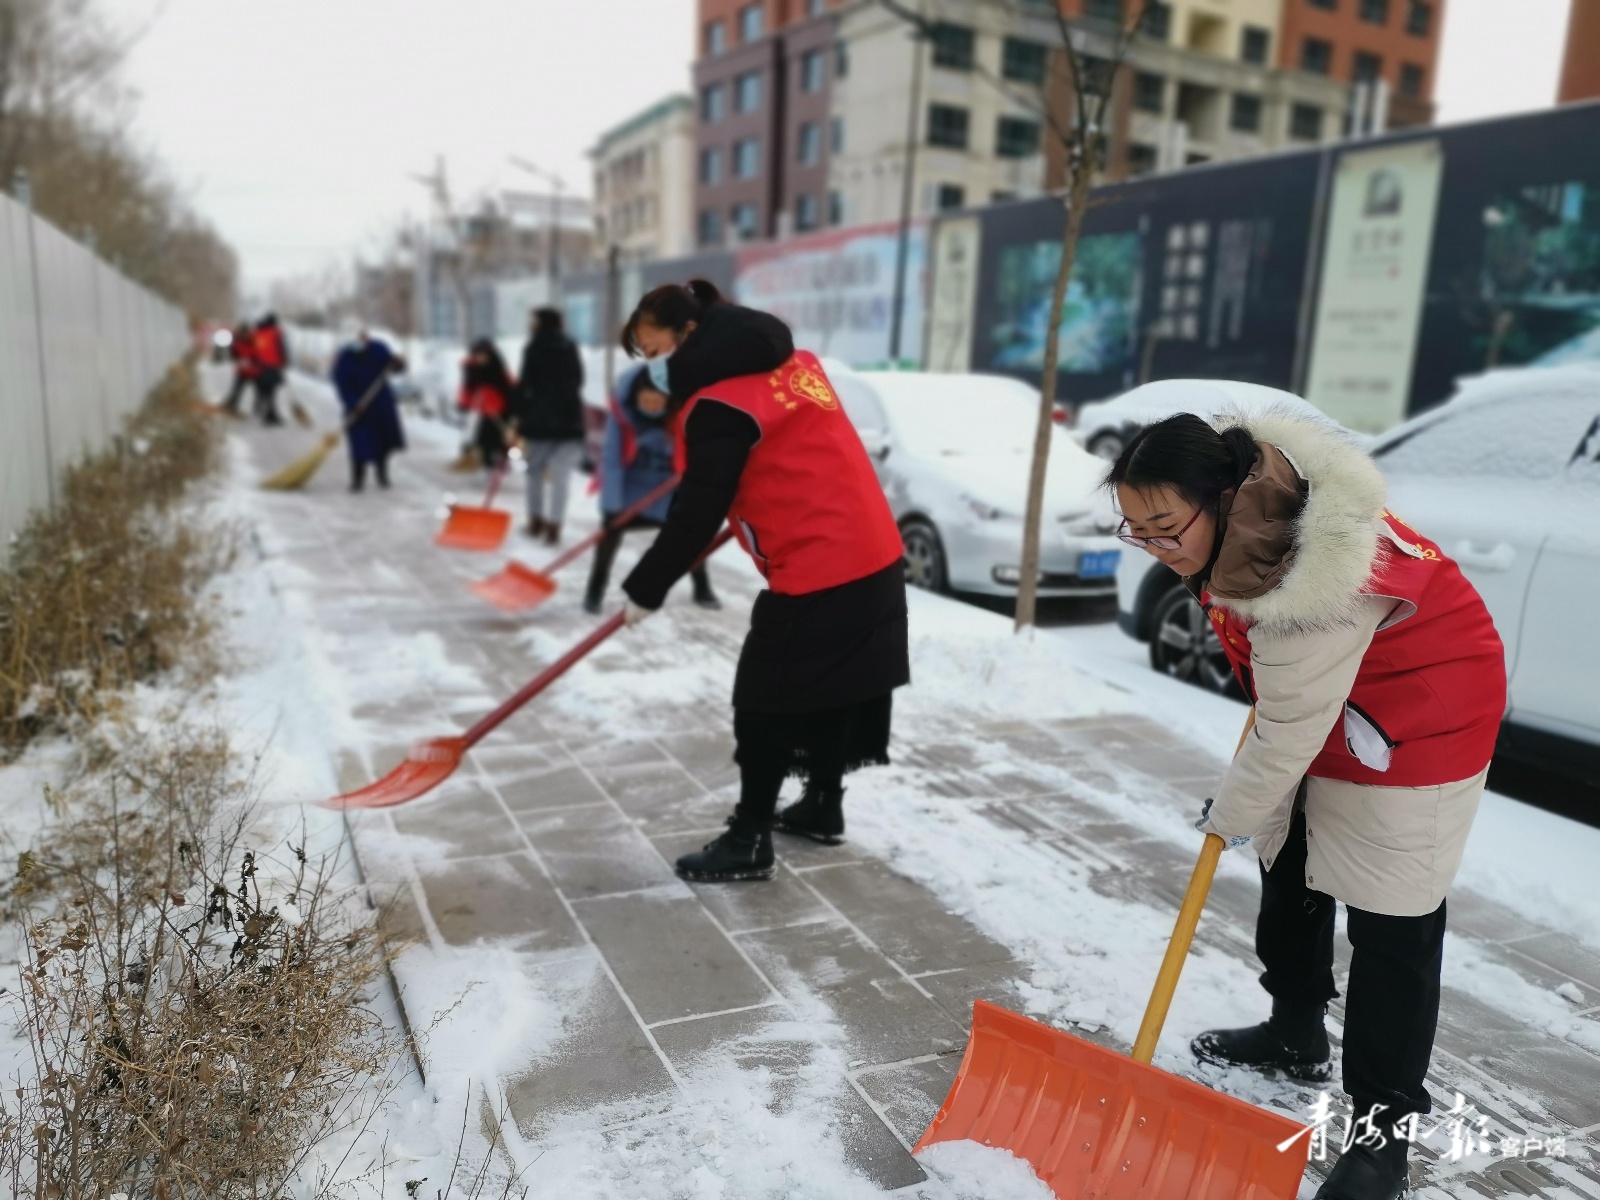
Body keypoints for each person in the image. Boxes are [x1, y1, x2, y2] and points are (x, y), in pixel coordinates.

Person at [1107, 387, 1506, 1200]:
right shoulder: (1247, 514)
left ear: (1223, 501)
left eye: (1164, 530)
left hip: (1421, 717)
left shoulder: (1305, 586)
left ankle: (1379, 1141)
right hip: (1329, 698)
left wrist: (1229, 814)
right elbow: (1292, 716)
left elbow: (1289, 725)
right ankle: (1295, 1031)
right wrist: (1253, 814)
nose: (1152, 548)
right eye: (1134, 530)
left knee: (1394, 923)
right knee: (1288, 857)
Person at [618, 280, 909, 884]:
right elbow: (792, 452)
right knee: (836, 685)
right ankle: (822, 805)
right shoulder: (796, 366)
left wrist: (646, 586)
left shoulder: (718, 406)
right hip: (874, 550)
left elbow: (697, 512)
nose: (653, 372)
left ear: (690, 336)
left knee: (763, 701)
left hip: (821, 563)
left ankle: (749, 838)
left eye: (653, 353)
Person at [583, 364, 720, 615]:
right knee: (609, 535)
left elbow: (698, 453)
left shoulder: (683, 415)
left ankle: (702, 586)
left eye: (658, 401)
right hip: (631, 490)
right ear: (636, 395)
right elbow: (612, 461)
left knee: (690, 537)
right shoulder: (623, 415)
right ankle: (595, 588)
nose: (652, 406)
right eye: (647, 400)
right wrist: (612, 508)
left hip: (668, 491)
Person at [514, 307, 585, 545]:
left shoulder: (534, 347)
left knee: (534, 471)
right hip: (569, 418)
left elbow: (525, 384)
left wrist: (518, 416)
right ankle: (555, 525)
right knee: (561, 476)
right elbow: (578, 379)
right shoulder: (570, 346)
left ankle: (536, 520)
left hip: (540, 420)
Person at [331, 328, 407, 492]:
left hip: (381, 403)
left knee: (382, 442)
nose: (361, 341)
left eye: (363, 337)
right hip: (358, 407)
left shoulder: (379, 349)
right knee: (359, 444)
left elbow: (393, 367)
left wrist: (398, 364)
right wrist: (353, 404)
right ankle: (357, 480)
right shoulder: (344, 358)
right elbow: (341, 384)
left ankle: (383, 476)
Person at [458, 339, 516, 472]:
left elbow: (511, 389)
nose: (480, 358)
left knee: (501, 440)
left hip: (501, 411)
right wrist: (464, 404)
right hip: (484, 412)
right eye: (477, 355)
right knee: (484, 440)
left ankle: (501, 464)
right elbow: (468, 389)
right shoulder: (473, 370)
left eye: (482, 355)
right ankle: (488, 465)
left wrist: (513, 410)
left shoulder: (498, 369)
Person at [253, 313, 289, 426]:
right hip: (273, 365)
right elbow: (280, 348)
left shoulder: (258, 333)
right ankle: (270, 416)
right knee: (271, 392)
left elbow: (256, 348)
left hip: (260, 366)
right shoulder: (275, 333)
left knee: (266, 391)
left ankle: (269, 414)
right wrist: (284, 362)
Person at [222, 322, 258, 415]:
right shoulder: (237, 342)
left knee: (256, 390)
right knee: (237, 388)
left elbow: (257, 355)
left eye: (245, 333)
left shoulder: (253, 341)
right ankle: (230, 405)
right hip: (242, 370)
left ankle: (257, 409)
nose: (244, 335)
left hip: (252, 370)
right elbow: (233, 354)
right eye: (243, 333)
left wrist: (253, 362)